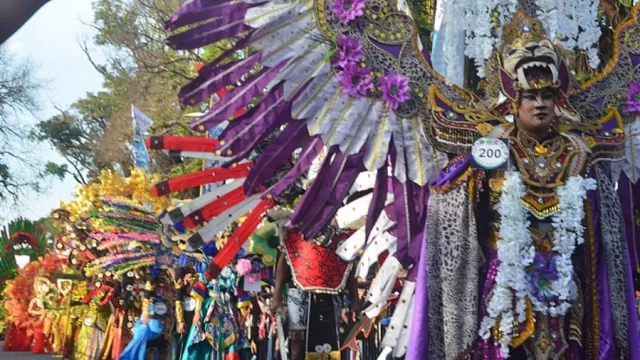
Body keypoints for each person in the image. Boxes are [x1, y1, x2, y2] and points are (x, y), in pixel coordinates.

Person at [156, 1, 640, 359]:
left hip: (569, 302)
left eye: (550, 94)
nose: (542, 103)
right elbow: (454, 213)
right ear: (511, 99)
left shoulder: (584, 150)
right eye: (531, 94)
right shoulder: (479, 149)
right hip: (498, 301)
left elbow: (603, 238)